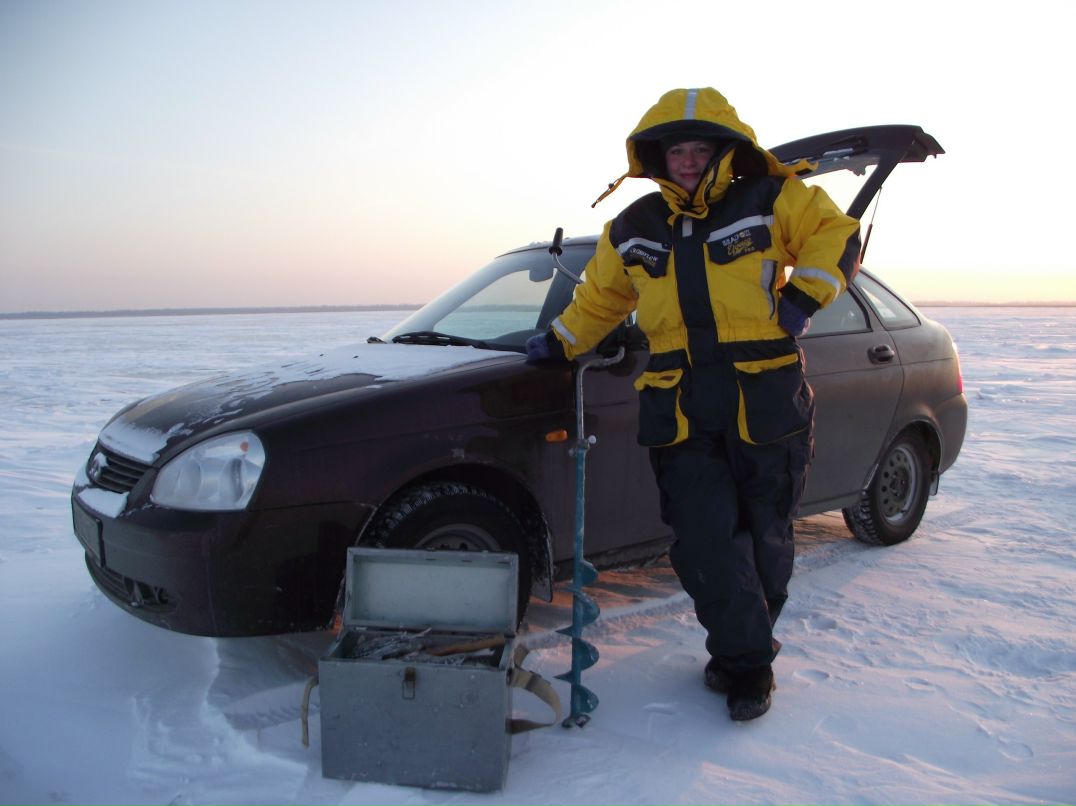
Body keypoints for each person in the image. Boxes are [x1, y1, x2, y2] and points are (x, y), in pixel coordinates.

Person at [526, 87, 861, 721]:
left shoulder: (768, 198)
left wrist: (805, 299)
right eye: (675, 149)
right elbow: (601, 300)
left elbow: (835, 235)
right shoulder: (632, 227)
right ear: (656, 156)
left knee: (766, 539)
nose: (686, 159)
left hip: (764, 399)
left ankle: (741, 652)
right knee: (706, 542)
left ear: (723, 150)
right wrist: (562, 342)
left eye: (699, 147)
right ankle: (749, 666)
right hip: (678, 407)